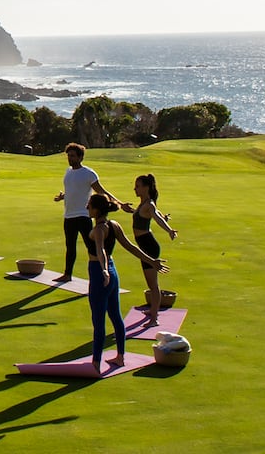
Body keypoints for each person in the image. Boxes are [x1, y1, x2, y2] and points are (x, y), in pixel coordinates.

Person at [86, 193, 165, 372]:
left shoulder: (99, 229)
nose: (87, 208)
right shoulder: (114, 225)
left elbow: (101, 251)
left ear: (96, 209)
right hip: (113, 275)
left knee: (98, 321)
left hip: (101, 275)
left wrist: (104, 270)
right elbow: (131, 247)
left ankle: (96, 363)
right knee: (115, 315)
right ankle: (120, 357)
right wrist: (152, 261)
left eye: (89, 205)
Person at [51, 143, 122, 283]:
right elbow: (73, 190)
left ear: (80, 157)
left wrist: (119, 203)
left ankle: (101, 274)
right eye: (68, 156)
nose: (70, 158)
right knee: (70, 247)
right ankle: (67, 274)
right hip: (69, 215)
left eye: (72, 156)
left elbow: (101, 191)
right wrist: (62, 197)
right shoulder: (68, 172)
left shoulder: (89, 173)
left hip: (84, 215)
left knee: (93, 247)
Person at [130, 172, 178, 322]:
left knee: (153, 285)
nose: (135, 189)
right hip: (144, 245)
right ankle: (153, 311)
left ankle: (154, 318)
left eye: (138, 186)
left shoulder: (149, 204)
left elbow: (156, 218)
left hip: (149, 246)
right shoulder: (144, 204)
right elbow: (155, 215)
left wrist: (169, 229)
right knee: (151, 284)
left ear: (146, 188)